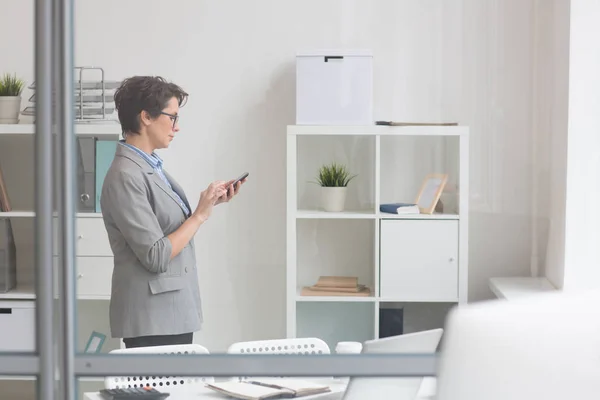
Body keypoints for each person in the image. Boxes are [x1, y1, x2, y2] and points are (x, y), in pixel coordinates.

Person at [100, 76, 246, 348]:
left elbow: (169, 227)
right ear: (146, 117)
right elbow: (156, 255)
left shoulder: (149, 167)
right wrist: (199, 215)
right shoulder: (125, 175)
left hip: (170, 313)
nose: (177, 128)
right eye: (172, 117)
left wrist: (210, 202)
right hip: (152, 319)